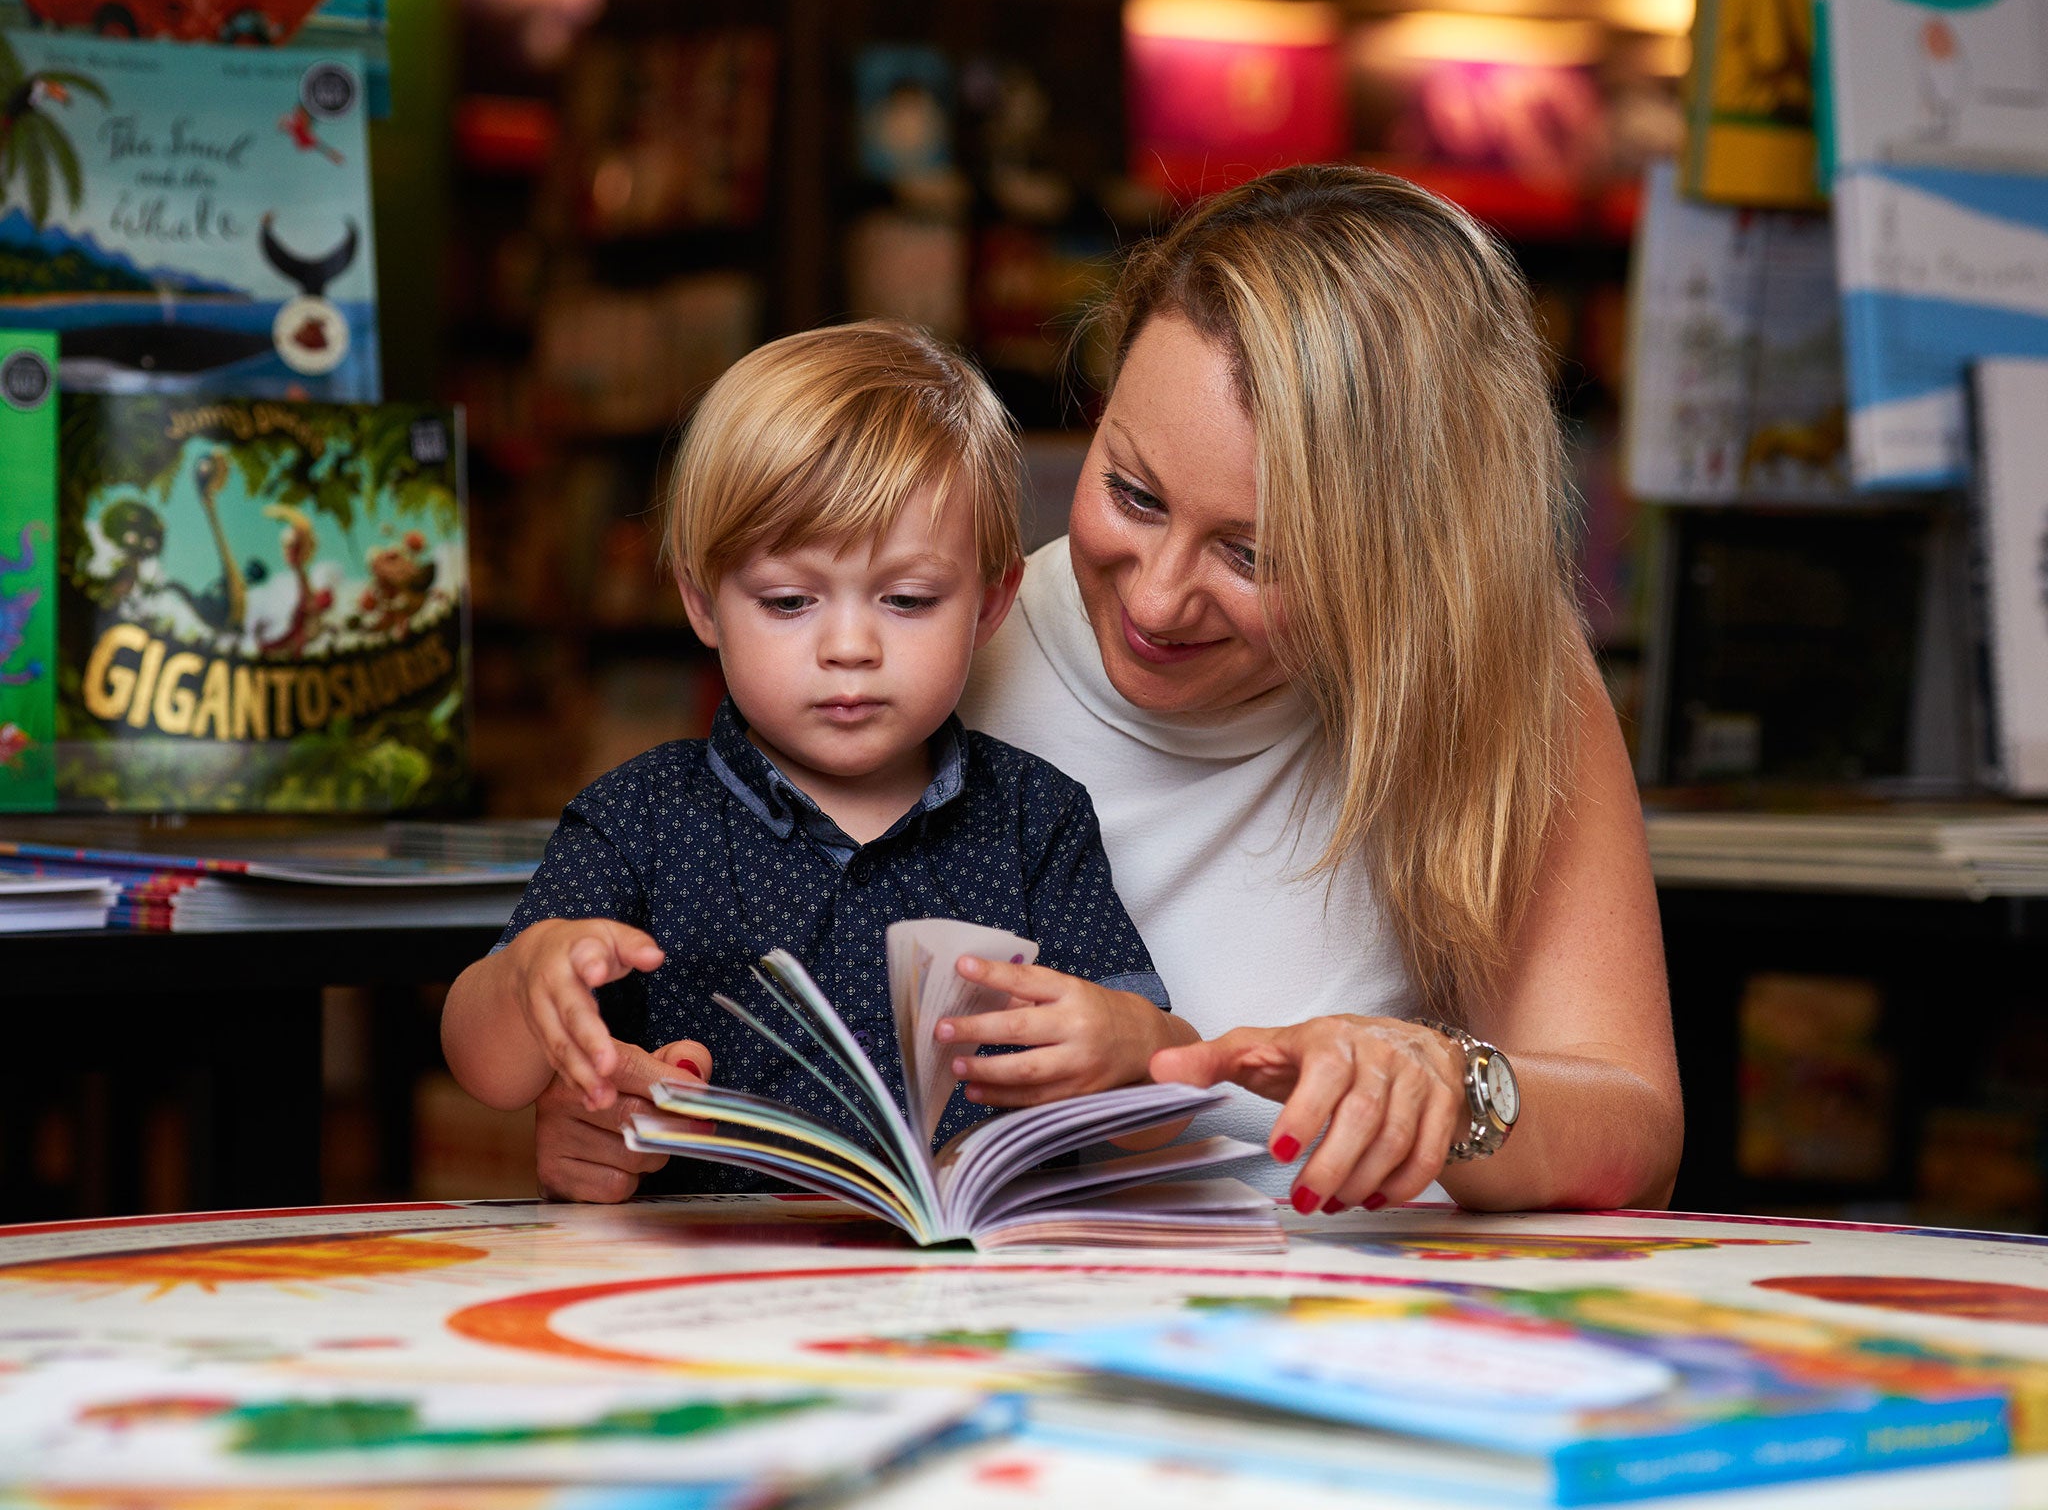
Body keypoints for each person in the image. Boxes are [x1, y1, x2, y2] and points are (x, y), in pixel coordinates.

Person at [531, 164, 1681, 1215]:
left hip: (1349, 1342)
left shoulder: (1500, 671)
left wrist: (1450, 1089)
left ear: (1410, 560)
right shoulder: (923, 651)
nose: (1157, 598)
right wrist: (613, 1115)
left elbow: (1631, 1132)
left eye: (1255, 555)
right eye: (1129, 492)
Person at [442, 320, 1194, 1187]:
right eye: (790, 599)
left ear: (990, 606)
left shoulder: (1035, 817)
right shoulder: (641, 818)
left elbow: (1157, 1117)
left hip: (967, 1295)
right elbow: (487, 1070)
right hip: (702, 1292)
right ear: (703, 602)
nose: (849, 646)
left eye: (908, 600)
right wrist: (529, 981)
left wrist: (1135, 1045)